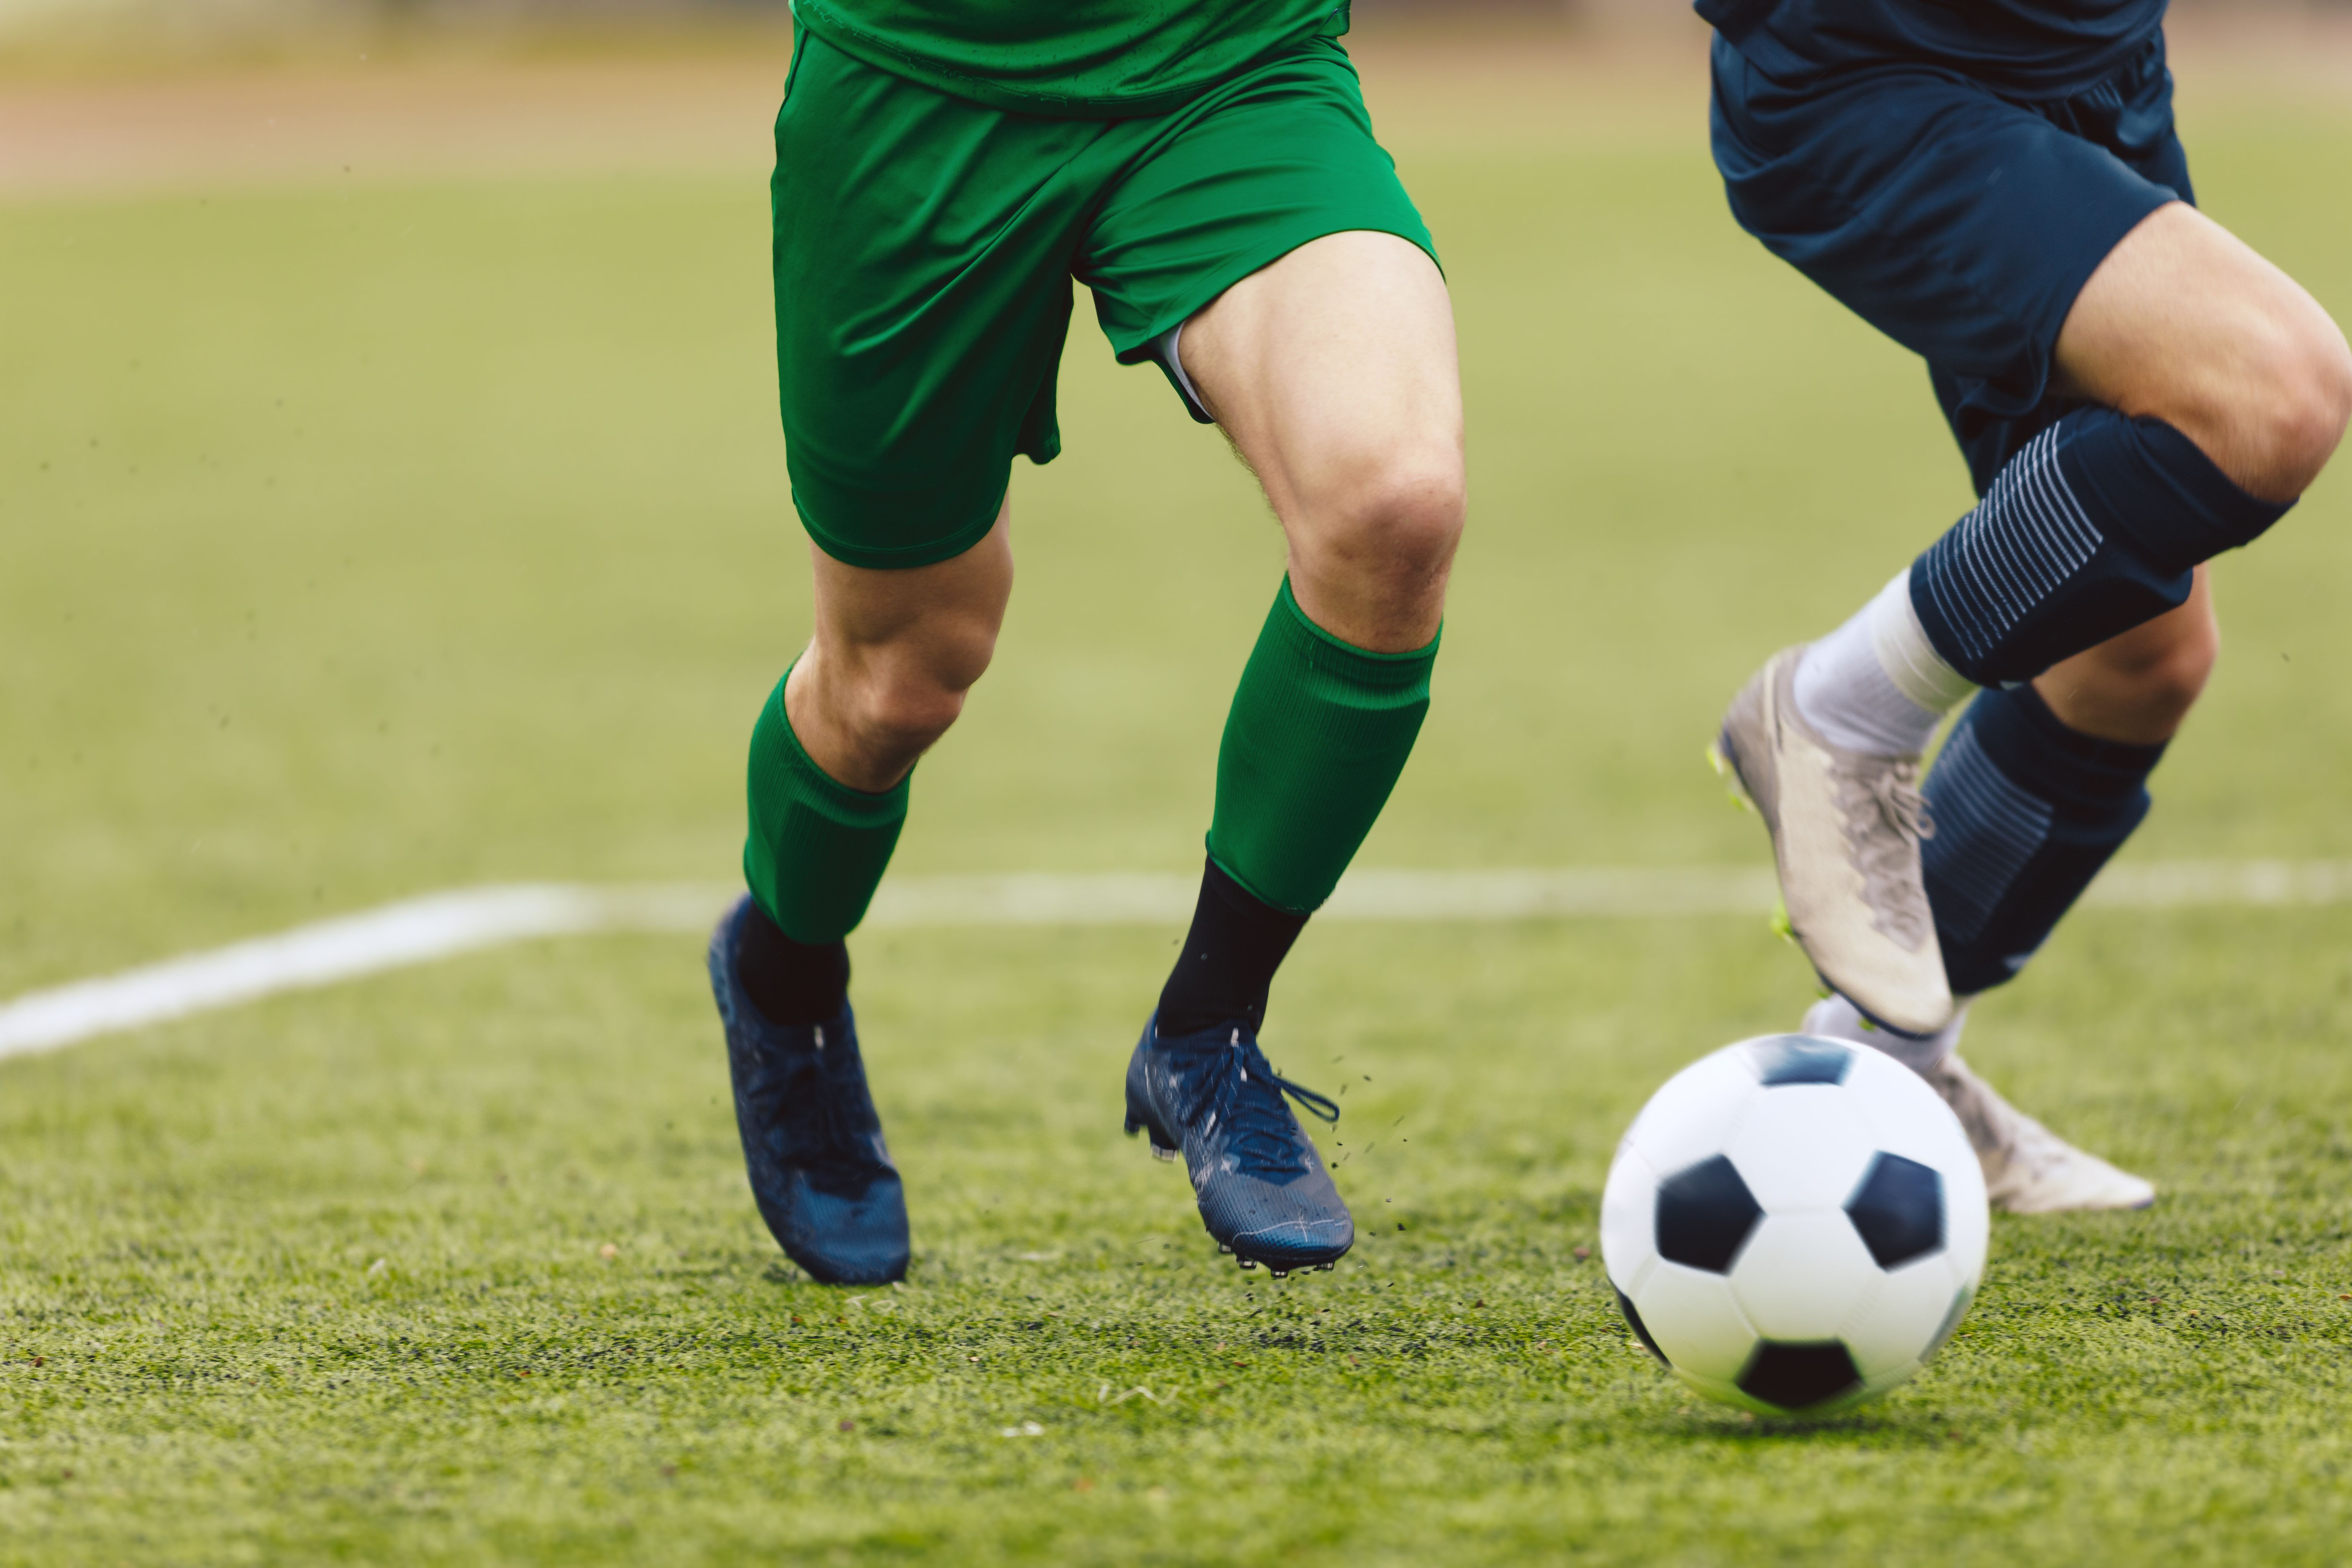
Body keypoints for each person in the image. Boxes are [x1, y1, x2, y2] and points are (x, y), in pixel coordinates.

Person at [705, 0, 1465, 1284]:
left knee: (1394, 505)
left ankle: (1205, 1033)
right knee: (901, 678)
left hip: (1224, 56)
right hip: (916, 83)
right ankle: (782, 976)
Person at [1698, 0, 2352, 1210]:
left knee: (2133, 663)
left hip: (2099, 71)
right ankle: (1841, 709)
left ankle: (1887, 1070)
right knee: (2272, 393)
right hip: (1875, 78)